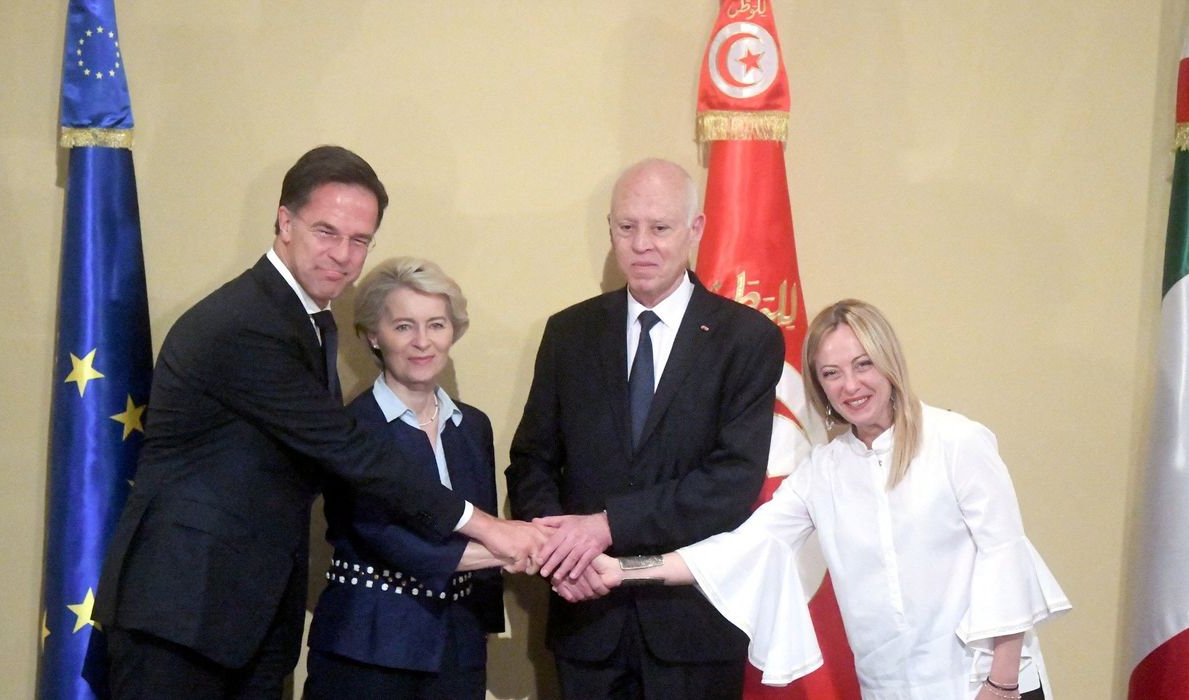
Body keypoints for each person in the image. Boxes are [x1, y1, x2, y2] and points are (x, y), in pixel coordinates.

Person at [93, 146, 543, 699]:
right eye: (326, 231)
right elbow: (350, 451)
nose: (343, 255)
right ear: (285, 221)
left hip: (246, 618)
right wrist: (490, 527)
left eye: (360, 240)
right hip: (181, 615)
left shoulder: (308, 319)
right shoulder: (245, 323)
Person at [572, 299, 1072, 700]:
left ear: (889, 362)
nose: (850, 386)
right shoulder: (824, 472)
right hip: (891, 687)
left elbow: (1005, 560)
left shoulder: (958, 441)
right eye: (831, 374)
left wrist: (1002, 682)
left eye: (862, 365)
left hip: (984, 684)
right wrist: (623, 570)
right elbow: (741, 549)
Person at [505, 158, 786, 699]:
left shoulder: (746, 339)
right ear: (610, 229)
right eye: (626, 227)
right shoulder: (569, 333)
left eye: (660, 228)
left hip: (693, 630)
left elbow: (730, 483)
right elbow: (532, 461)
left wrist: (607, 527)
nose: (642, 244)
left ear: (694, 229)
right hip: (584, 619)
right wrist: (560, 553)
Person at [303, 258, 505, 699]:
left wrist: (516, 550)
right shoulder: (349, 431)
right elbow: (390, 540)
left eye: (436, 325)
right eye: (403, 327)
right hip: (368, 650)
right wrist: (521, 548)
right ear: (374, 335)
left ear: (453, 332)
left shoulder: (473, 427)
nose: (422, 343)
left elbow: (482, 524)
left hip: (457, 650)